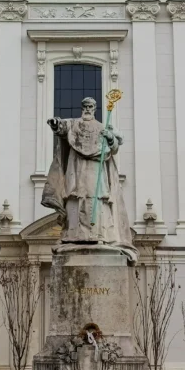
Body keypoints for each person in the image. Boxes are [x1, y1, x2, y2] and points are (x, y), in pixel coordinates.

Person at [42, 96, 135, 261]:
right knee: (75, 197)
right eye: (85, 106)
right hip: (76, 170)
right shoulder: (75, 124)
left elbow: (113, 148)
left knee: (96, 198)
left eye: (90, 106)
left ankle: (98, 234)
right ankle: (73, 235)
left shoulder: (102, 127)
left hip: (95, 170)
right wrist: (56, 123)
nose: (87, 108)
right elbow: (63, 127)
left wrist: (111, 138)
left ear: (95, 108)